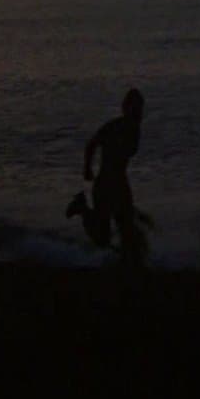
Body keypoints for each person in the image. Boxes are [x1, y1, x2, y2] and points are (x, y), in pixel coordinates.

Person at [66, 88, 147, 267]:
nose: (139, 113)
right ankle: (82, 208)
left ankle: (126, 261)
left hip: (120, 183)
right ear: (126, 109)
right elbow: (91, 144)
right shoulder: (114, 127)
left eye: (140, 108)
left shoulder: (135, 129)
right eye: (135, 108)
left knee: (127, 231)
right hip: (105, 184)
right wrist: (87, 168)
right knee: (103, 237)